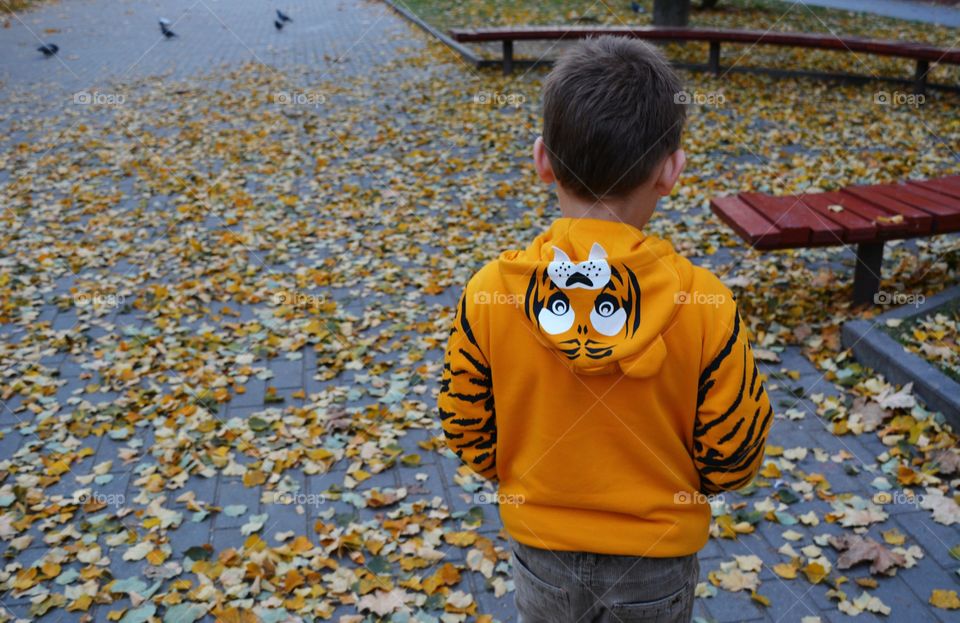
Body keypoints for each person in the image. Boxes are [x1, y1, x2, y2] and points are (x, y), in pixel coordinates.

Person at [437, 36, 773, 622]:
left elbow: (465, 422)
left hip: (542, 552)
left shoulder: (490, 292)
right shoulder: (706, 303)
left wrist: (517, 471)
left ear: (542, 160)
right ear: (671, 171)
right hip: (657, 559)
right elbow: (735, 454)